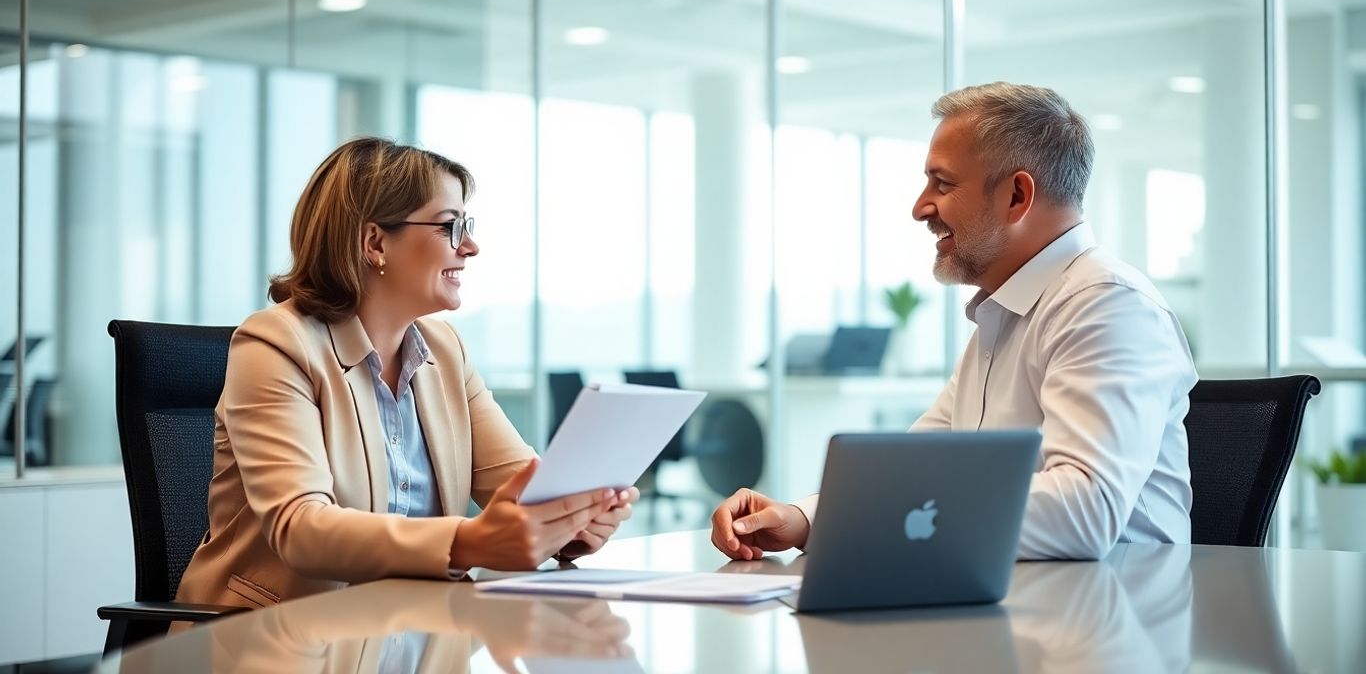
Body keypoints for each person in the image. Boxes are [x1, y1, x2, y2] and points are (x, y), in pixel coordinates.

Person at [711, 82, 1197, 562]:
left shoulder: (1107, 305)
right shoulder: (1004, 315)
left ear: (1017, 196)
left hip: (1112, 600)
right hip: (1004, 591)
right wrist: (804, 519)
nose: (920, 207)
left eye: (942, 184)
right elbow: (914, 470)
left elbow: (1084, 512)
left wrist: (888, 514)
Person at [177, 137, 637, 609]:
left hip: (413, 631)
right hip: (274, 635)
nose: (471, 247)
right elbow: (300, 528)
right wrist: (470, 542)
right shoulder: (275, 344)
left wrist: (571, 520)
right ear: (375, 242)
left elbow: (522, 489)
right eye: (451, 226)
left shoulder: (446, 351)